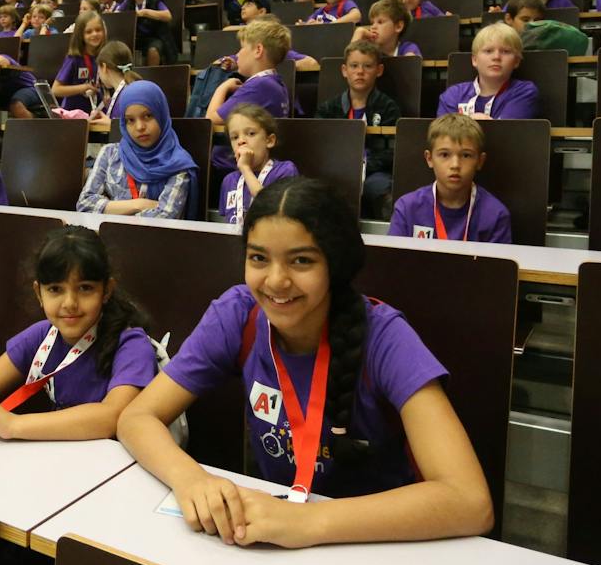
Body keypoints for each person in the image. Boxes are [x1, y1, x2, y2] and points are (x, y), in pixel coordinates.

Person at [117, 177, 492, 544]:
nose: (276, 281)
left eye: (301, 261)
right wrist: (191, 480)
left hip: (380, 544)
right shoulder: (238, 314)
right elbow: (137, 418)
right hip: (279, 535)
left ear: (336, 265)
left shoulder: (385, 336)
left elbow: (470, 501)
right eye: (259, 258)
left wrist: (308, 522)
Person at [0, 226, 157, 439]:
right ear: (39, 293)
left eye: (85, 288)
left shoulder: (131, 344)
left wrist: (13, 425)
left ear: (106, 290)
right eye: (55, 289)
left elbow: (113, 416)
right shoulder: (43, 335)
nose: (70, 303)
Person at [76, 81, 195, 219]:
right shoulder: (109, 154)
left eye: (148, 116)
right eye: (130, 120)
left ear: (161, 115)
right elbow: (84, 204)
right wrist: (139, 204)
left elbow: (164, 217)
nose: (139, 127)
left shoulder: (178, 164)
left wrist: (111, 208)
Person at [388, 115, 512, 243]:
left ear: (480, 161)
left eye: (466, 155)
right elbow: (392, 261)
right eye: (445, 154)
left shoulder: (496, 214)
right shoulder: (407, 208)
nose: (455, 165)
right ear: (429, 159)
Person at [316, 39, 401, 216]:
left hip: (374, 172)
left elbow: (391, 152)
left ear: (379, 71)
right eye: (354, 66)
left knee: (380, 188)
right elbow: (319, 147)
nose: (360, 72)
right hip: (337, 170)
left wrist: (363, 167)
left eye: (367, 66)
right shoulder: (328, 108)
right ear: (344, 71)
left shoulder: (388, 107)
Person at [436, 24, 539, 119]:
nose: (496, 57)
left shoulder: (524, 92)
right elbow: (442, 135)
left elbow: (507, 133)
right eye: (488, 51)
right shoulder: (453, 94)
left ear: (516, 61)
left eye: (505, 51)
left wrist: (467, 124)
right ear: (474, 60)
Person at [219, 105, 297, 228]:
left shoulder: (285, 170)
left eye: (250, 133)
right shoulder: (229, 180)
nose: (241, 141)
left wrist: (245, 168)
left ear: (269, 141)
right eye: (235, 137)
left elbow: (271, 208)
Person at [51, 11, 107, 114]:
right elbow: (55, 90)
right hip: (74, 115)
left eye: (98, 30)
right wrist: (83, 88)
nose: (94, 34)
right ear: (80, 35)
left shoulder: (106, 56)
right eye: (88, 32)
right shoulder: (74, 59)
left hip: (98, 113)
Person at [115, 0, 175, 65]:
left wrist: (146, 12)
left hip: (155, 37)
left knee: (153, 50)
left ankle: (152, 77)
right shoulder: (127, 2)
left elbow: (168, 16)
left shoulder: (154, 0)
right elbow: (116, 15)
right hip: (136, 38)